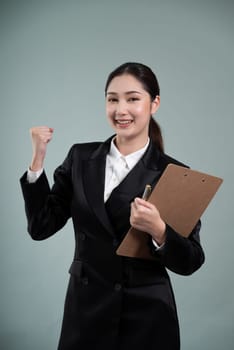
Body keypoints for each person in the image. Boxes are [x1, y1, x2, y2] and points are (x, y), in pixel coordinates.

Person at [20, 62, 205, 350]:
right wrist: (37, 161)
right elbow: (40, 226)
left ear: (154, 103)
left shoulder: (174, 173)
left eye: (133, 99)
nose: (121, 110)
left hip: (147, 314)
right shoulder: (80, 158)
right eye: (112, 99)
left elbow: (191, 260)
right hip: (86, 310)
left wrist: (159, 230)